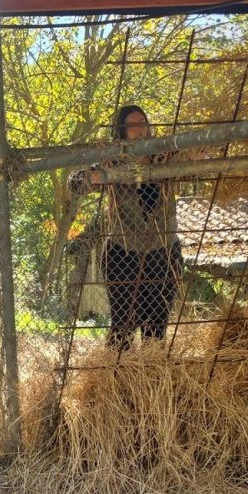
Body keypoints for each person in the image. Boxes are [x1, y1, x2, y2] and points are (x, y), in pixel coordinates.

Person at [68, 105, 183, 350]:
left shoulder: (166, 155)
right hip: (123, 252)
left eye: (143, 121)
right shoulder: (112, 158)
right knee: (125, 324)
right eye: (132, 125)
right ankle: (118, 376)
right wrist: (91, 178)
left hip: (163, 251)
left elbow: (201, 154)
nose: (140, 129)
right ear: (121, 132)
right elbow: (75, 181)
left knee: (157, 325)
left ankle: (152, 378)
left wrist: (204, 150)